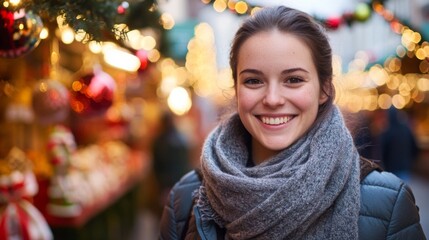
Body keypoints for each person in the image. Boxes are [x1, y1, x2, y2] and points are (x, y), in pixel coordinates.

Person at [159, 6, 426, 239]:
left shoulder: (388, 204)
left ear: (324, 89)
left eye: (294, 80)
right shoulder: (186, 198)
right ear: (237, 89)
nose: (273, 99)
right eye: (253, 80)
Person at [380, 107, 420, 181]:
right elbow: (414, 147)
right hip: (404, 167)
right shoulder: (406, 129)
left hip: (391, 169)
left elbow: (383, 151)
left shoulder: (387, 132)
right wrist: (410, 161)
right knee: (403, 190)